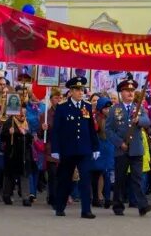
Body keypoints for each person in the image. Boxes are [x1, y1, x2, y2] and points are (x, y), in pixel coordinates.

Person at [52, 76, 99, 219]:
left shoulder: (87, 107)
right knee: (65, 179)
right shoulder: (62, 107)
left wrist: (95, 147)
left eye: (82, 89)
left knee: (85, 179)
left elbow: (91, 128)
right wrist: (55, 149)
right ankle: (60, 206)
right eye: (77, 89)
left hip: (84, 149)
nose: (80, 92)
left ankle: (86, 210)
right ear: (71, 91)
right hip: (68, 150)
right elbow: (56, 131)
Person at [106, 79, 151, 217]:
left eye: (132, 91)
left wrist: (139, 120)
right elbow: (108, 129)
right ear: (122, 93)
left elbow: (147, 121)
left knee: (137, 178)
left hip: (136, 149)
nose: (130, 93)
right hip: (122, 150)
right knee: (120, 179)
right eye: (127, 91)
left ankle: (142, 205)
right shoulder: (115, 109)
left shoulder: (139, 108)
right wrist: (119, 143)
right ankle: (118, 206)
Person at [0, 105, 34, 206]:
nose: (22, 115)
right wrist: (9, 133)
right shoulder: (9, 122)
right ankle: (7, 195)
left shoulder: (27, 123)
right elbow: (2, 137)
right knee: (9, 175)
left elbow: (31, 138)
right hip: (12, 153)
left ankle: (26, 197)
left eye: (24, 114)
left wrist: (27, 134)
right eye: (20, 113)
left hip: (24, 153)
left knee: (25, 175)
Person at [90, 96, 115, 209]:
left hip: (109, 147)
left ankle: (108, 197)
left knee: (108, 173)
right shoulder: (95, 117)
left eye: (109, 108)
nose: (107, 110)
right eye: (105, 108)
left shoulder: (112, 118)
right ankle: (97, 197)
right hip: (99, 146)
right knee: (98, 172)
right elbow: (94, 130)